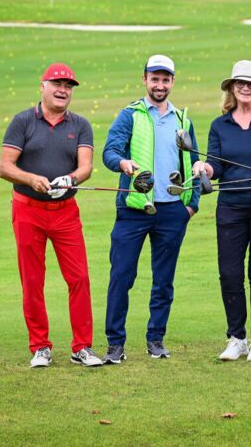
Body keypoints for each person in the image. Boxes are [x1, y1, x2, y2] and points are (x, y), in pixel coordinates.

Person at [0, 62, 103, 368]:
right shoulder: (22, 121)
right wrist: (31, 179)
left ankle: (82, 347)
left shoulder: (80, 124)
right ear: (42, 86)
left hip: (65, 212)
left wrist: (71, 179)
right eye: (57, 84)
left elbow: (85, 167)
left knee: (79, 278)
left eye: (68, 86)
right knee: (33, 280)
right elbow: (5, 166)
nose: (63, 90)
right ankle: (40, 347)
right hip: (28, 210)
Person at [102, 54, 200, 363]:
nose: (160, 84)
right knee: (122, 275)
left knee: (163, 280)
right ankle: (115, 343)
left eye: (165, 79)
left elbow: (194, 164)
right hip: (134, 208)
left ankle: (156, 339)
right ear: (144, 79)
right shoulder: (129, 115)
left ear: (172, 82)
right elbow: (110, 151)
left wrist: (191, 205)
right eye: (154, 78)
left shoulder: (183, 120)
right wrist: (122, 163)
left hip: (172, 211)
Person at [193, 60, 251, 362]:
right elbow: (216, 166)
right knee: (230, 273)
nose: (246, 88)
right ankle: (236, 337)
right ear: (232, 88)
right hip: (231, 207)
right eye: (240, 83)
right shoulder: (220, 125)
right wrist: (204, 168)